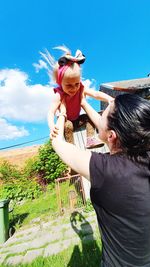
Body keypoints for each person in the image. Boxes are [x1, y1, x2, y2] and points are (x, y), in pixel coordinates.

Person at [51, 93, 150, 267]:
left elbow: (57, 142)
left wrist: (62, 114)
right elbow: (108, 129)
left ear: (111, 136)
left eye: (104, 112)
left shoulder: (104, 170)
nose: (101, 112)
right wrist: (83, 103)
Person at [40, 46, 113, 148]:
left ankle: (90, 139)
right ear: (60, 83)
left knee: (88, 117)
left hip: (77, 120)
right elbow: (51, 112)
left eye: (76, 83)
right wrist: (52, 126)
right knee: (68, 125)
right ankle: (71, 146)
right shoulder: (59, 94)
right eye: (69, 85)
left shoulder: (80, 88)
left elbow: (95, 94)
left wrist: (108, 98)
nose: (74, 88)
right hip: (67, 122)